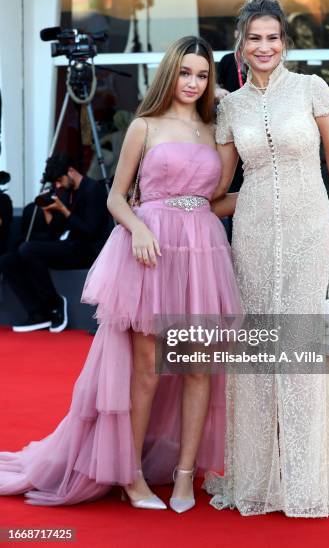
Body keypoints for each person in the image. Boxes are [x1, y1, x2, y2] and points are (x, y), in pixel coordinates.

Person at [0, 36, 241, 512]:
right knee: (147, 372)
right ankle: (131, 476)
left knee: (198, 370)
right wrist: (138, 228)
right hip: (149, 249)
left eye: (202, 74)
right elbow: (115, 196)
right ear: (170, 74)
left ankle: (187, 475)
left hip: (201, 252)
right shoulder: (144, 126)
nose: (193, 82)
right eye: (185, 72)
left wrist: (278, 196)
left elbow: (218, 198)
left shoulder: (218, 131)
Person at [204, 0, 329, 517]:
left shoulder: (311, 89)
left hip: (310, 232)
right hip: (251, 238)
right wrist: (173, 202)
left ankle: (308, 480)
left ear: (285, 41)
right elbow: (220, 186)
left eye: (273, 37)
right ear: (241, 43)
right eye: (254, 38)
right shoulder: (230, 106)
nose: (264, 46)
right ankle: (257, 479)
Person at [0, 155, 110, 333]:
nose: (58, 185)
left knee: (28, 249)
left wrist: (64, 211)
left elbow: (90, 231)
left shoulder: (93, 189)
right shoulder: (67, 192)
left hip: (87, 251)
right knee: (7, 260)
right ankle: (38, 312)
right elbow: (56, 232)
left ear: (71, 171)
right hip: (69, 246)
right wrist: (49, 213)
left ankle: (55, 303)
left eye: (59, 180)